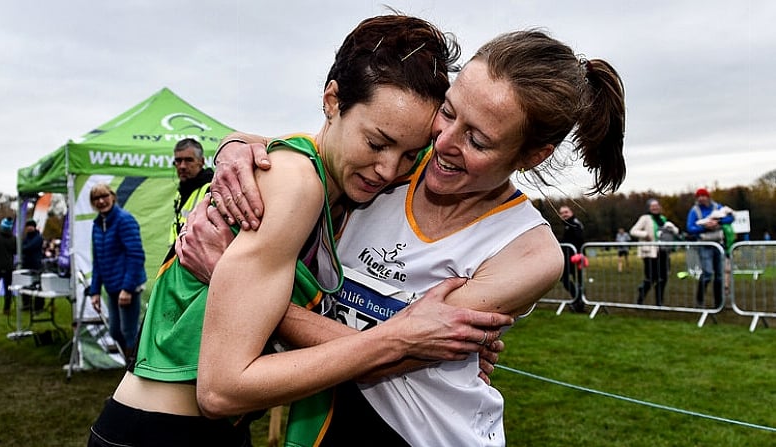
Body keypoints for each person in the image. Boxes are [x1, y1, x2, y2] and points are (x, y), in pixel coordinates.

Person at [88, 15, 513, 447]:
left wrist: (450, 352)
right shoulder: (297, 184)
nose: (388, 169)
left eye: (409, 155)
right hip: (163, 431)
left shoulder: (337, 193)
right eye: (376, 142)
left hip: (191, 428)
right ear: (332, 100)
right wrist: (401, 340)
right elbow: (222, 389)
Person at [187, 29, 626, 446]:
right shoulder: (389, 170)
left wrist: (234, 286)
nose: (444, 143)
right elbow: (312, 151)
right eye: (449, 112)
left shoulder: (527, 251)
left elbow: (395, 356)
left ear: (531, 155)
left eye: (476, 139)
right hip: (323, 418)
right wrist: (235, 145)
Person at [87, 183, 147, 361]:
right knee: (115, 331)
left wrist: (128, 289)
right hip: (112, 287)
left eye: (104, 196)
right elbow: (98, 260)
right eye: (96, 198)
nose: (101, 201)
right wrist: (95, 291)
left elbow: (136, 255)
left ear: (113, 196)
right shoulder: (98, 224)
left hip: (128, 287)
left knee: (129, 331)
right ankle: (131, 363)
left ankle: (135, 369)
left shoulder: (124, 220)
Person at [686, 187, 734, 308]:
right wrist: (705, 227)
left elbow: (731, 218)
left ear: (708, 197)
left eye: (704, 196)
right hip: (704, 244)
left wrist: (718, 223)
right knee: (707, 273)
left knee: (719, 275)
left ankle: (719, 303)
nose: (702, 198)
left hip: (718, 243)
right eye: (699, 196)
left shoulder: (717, 207)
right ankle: (700, 299)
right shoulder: (694, 211)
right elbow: (690, 228)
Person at [630, 199, 679, 306]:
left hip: (663, 251)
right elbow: (633, 231)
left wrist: (672, 229)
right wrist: (645, 235)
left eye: (657, 206)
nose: (655, 208)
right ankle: (641, 297)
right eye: (653, 206)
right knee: (651, 278)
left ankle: (659, 301)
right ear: (648, 208)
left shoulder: (663, 219)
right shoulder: (645, 218)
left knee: (663, 277)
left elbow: (675, 230)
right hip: (650, 252)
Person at [169, 138, 214, 245]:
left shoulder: (211, 189)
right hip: (180, 254)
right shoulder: (181, 190)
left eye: (189, 160)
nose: (182, 166)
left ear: (201, 162)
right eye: (178, 161)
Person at [558, 205, 587, 312]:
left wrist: (578, 254)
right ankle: (578, 301)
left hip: (575, 257)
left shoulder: (574, 223)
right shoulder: (568, 224)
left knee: (576, 280)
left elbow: (579, 239)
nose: (564, 214)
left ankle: (579, 302)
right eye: (562, 213)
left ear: (571, 212)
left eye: (566, 212)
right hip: (569, 257)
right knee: (567, 279)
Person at [20, 219, 45, 311]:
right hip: (26, 264)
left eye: (31, 226)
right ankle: (26, 305)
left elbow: (28, 247)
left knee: (38, 286)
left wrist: (24, 248)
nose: (29, 228)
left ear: (34, 227)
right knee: (25, 285)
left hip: (36, 265)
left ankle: (39, 306)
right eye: (28, 226)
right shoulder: (26, 238)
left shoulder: (38, 237)